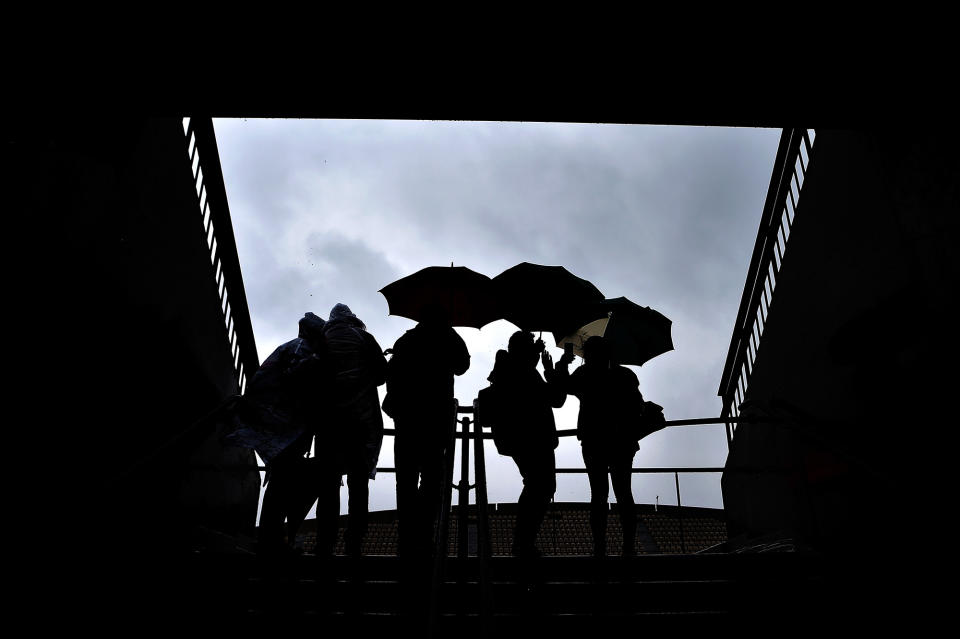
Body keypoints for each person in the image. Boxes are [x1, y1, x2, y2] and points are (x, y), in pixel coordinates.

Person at [222, 311, 331, 556]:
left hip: (280, 425)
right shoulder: (302, 349)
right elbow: (296, 378)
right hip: (283, 426)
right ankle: (271, 541)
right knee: (283, 482)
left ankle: (272, 539)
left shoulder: (292, 346)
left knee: (282, 480)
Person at [383, 304, 470, 562]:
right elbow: (462, 366)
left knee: (405, 481)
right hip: (436, 419)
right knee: (433, 481)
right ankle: (425, 536)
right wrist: (451, 333)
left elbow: (392, 376)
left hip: (407, 420)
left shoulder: (406, 340)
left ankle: (407, 538)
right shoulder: (448, 338)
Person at [556, 335, 646, 558]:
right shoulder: (625, 375)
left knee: (598, 495)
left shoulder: (584, 374)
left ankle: (599, 548)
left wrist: (561, 365)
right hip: (622, 441)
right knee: (624, 493)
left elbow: (565, 388)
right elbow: (638, 406)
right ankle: (628, 548)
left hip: (593, 440)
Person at [484, 330, 566, 559]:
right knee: (541, 486)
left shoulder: (509, 368)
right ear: (525, 351)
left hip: (518, 438)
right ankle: (523, 543)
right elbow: (557, 399)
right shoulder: (525, 372)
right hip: (535, 439)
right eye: (532, 347)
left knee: (536, 485)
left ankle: (522, 542)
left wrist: (538, 362)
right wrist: (552, 370)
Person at [315, 303, 387, 558]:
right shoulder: (364, 338)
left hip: (328, 423)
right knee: (358, 483)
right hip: (360, 422)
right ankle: (354, 540)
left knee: (328, 483)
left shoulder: (320, 339)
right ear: (353, 318)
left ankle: (325, 542)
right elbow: (381, 376)